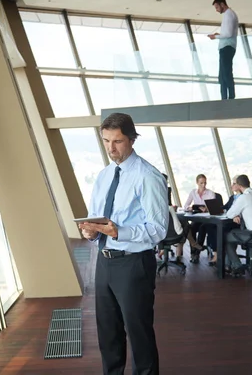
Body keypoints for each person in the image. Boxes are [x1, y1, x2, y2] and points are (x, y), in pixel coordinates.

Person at [79, 113, 168, 375]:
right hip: (104, 262)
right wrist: (91, 232)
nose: (111, 148)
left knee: (139, 335)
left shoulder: (148, 176)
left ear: (131, 140)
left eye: (117, 141)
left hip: (134, 264)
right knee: (108, 334)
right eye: (106, 140)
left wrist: (119, 232)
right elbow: (96, 216)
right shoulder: (104, 175)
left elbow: (158, 229)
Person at [223, 175, 252, 276]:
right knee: (233, 234)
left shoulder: (244, 197)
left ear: (239, 185)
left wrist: (235, 214)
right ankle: (231, 265)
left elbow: (229, 214)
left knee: (227, 237)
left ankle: (237, 265)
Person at [209, 0, 239, 100]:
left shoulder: (229, 14)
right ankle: (224, 98)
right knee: (222, 75)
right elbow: (227, 33)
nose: (216, 10)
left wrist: (216, 36)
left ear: (222, 4)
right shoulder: (229, 14)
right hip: (226, 46)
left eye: (217, 7)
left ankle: (229, 98)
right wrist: (219, 35)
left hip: (227, 47)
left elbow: (229, 34)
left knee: (226, 74)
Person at [184, 174, 215, 263]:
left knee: (202, 228)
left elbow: (214, 208)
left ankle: (197, 253)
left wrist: (206, 208)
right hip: (197, 218)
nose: (203, 185)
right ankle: (193, 252)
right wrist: (190, 208)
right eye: (201, 183)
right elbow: (186, 205)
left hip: (207, 220)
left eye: (205, 183)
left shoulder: (210, 193)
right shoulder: (193, 192)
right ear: (197, 183)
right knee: (191, 229)